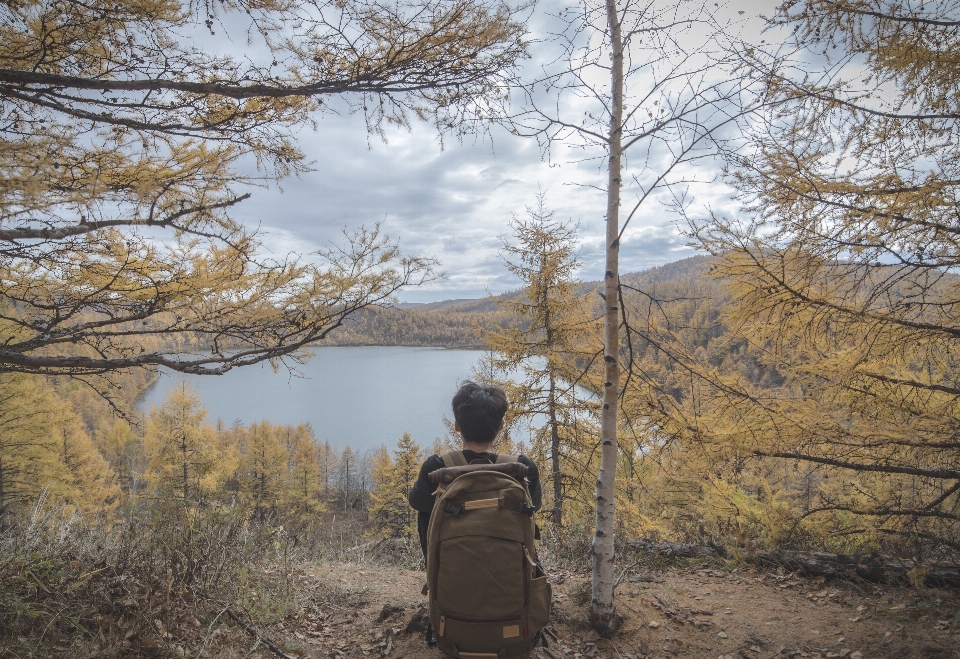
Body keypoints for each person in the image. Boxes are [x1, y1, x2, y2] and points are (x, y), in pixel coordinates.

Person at [408, 381, 542, 561]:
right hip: (510, 579)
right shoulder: (523, 469)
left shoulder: (437, 469)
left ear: (457, 425)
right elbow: (535, 507)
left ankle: (437, 574)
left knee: (426, 507)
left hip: (451, 577)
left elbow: (416, 501)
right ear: (501, 425)